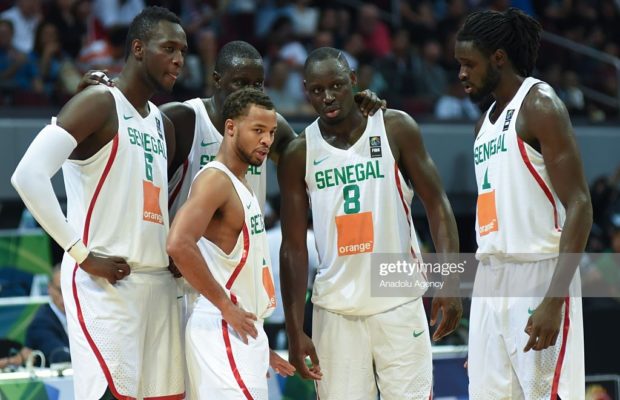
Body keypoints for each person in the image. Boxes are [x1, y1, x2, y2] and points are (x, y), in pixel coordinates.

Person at [11, 6, 187, 400]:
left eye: (184, 50)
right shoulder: (98, 103)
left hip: (156, 285)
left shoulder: (164, 125)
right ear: (138, 48)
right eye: (169, 47)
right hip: (105, 281)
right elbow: (27, 176)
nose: (179, 58)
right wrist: (82, 254)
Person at [278, 47, 463, 399]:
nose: (328, 96)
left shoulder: (395, 127)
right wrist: (294, 328)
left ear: (353, 80)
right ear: (305, 90)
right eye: (317, 90)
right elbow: (293, 247)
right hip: (335, 308)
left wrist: (450, 280)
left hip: (398, 296)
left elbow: (437, 203)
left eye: (336, 85)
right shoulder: (300, 153)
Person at [454, 8, 592, 399]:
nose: (462, 74)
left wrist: (554, 300)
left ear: (499, 58)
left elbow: (580, 204)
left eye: (469, 64)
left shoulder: (540, 104)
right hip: (491, 278)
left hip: (540, 274)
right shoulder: (483, 125)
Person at [167, 88, 295, 399]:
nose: (267, 140)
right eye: (258, 130)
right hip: (220, 328)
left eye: (272, 133)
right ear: (230, 128)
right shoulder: (215, 180)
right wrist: (225, 306)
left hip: (241, 332)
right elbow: (178, 243)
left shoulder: (243, 185)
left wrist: (259, 346)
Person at [25, 264, 71, 366]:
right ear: (49, 288)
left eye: (70, 291)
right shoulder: (40, 322)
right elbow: (60, 356)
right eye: (60, 291)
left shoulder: (82, 317)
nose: (65, 297)